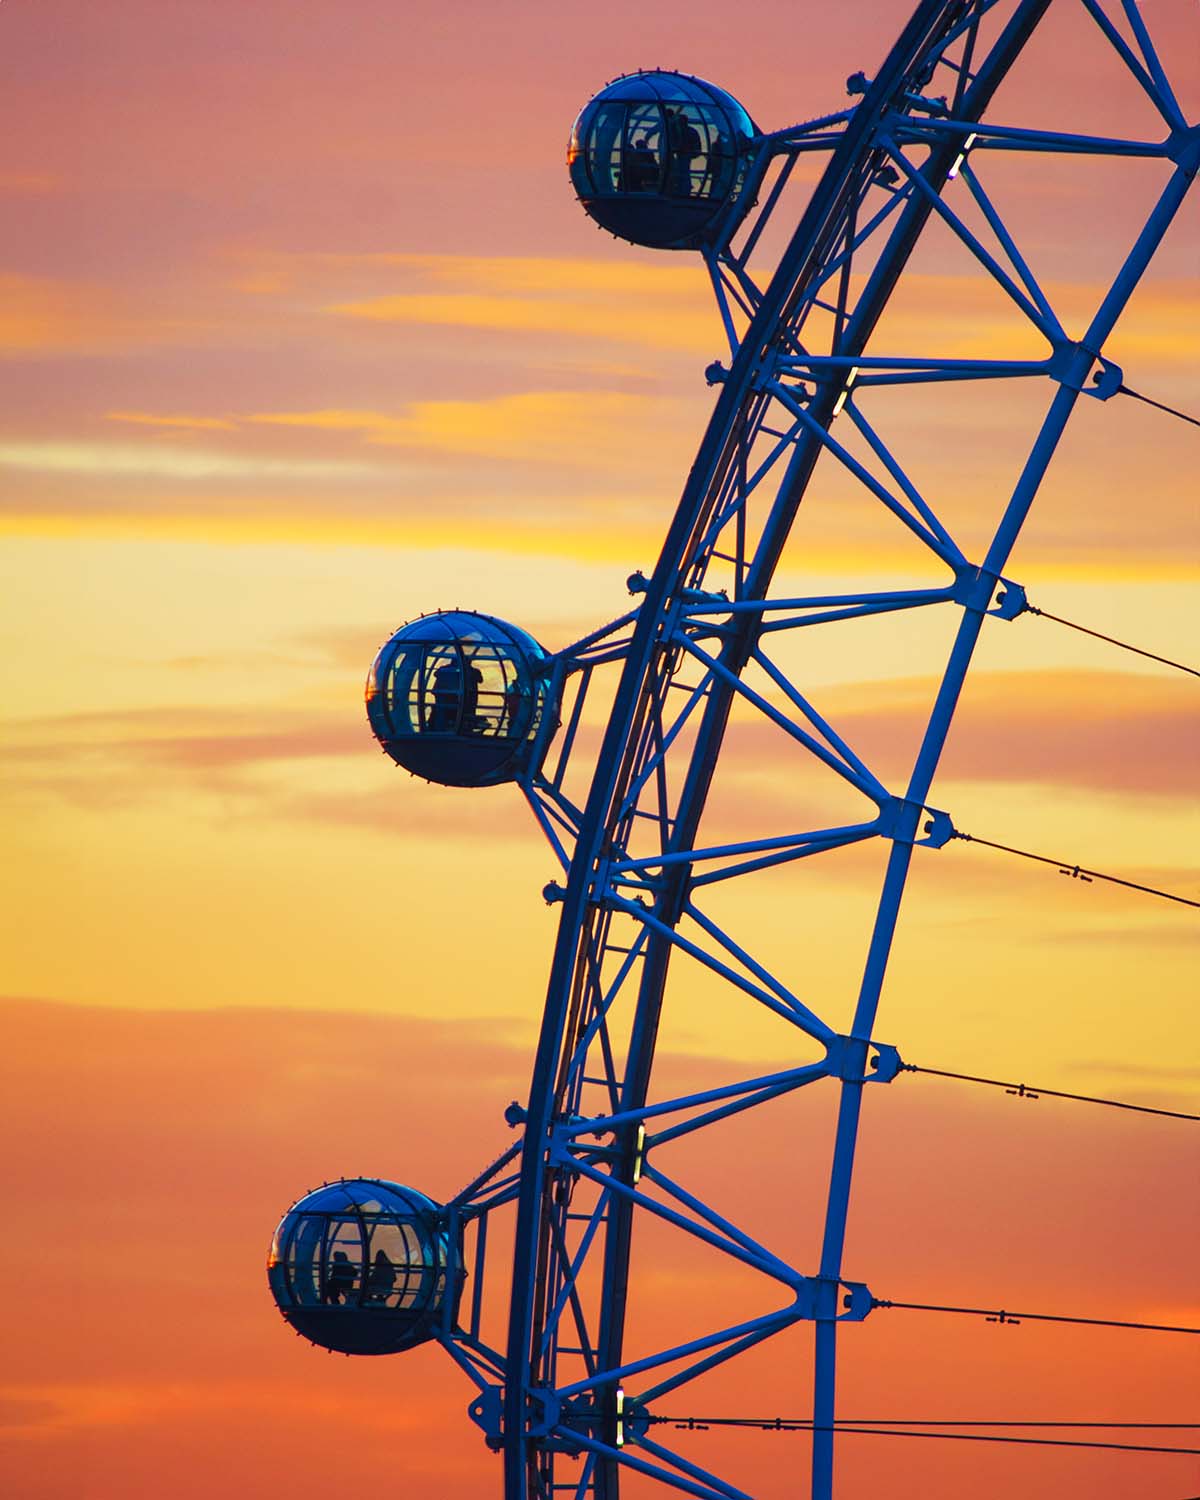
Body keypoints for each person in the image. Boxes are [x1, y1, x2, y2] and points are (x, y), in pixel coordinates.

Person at [666, 108, 703, 197]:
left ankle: (683, 189)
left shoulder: (686, 131)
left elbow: (693, 144)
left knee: (683, 171)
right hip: (683, 154)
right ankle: (683, 189)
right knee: (682, 171)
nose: (679, 123)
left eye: (680, 121)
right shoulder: (689, 131)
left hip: (685, 154)